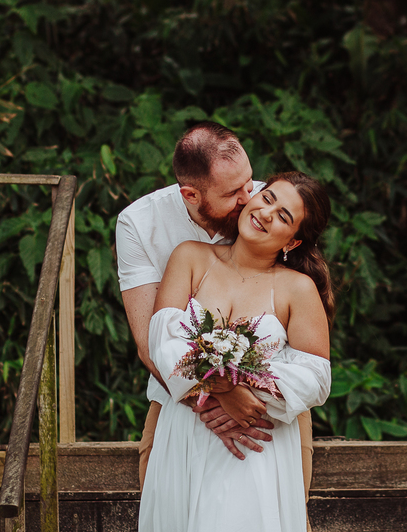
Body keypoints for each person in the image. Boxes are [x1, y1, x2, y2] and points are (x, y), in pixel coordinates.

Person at [116, 123, 316, 498]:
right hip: (176, 396)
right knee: (165, 504)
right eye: (233, 193)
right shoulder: (139, 224)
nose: (249, 197)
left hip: (267, 409)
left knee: (287, 511)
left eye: (250, 182)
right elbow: (149, 344)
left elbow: (302, 309)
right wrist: (216, 398)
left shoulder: (265, 209)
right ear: (191, 195)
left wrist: (250, 397)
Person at [138, 171, 334, 532]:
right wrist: (222, 391)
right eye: (268, 198)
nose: (266, 213)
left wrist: (247, 390)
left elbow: (315, 378)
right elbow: (163, 341)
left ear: (292, 241)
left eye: (284, 216)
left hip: (253, 441)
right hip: (185, 432)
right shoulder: (191, 257)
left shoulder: (298, 289)